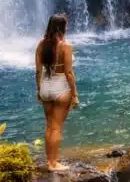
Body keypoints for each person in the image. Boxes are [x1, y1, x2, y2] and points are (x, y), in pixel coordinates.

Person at [35, 14, 79, 171]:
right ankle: (54, 164)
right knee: (56, 127)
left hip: (45, 87)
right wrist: (75, 95)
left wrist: (39, 90)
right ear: (62, 28)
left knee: (49, 126)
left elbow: (38, 71)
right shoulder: (66, 46)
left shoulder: (41, 44)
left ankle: (50, 162)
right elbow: (69, 73)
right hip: (61, 88)